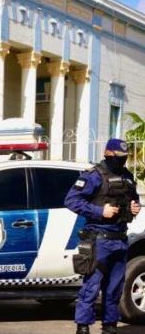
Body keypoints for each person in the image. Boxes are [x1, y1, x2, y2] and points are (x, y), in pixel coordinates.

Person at [65, 138, 141, 334]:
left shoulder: (126, 176)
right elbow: (71, 200)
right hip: (98, 240)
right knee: (91, 287)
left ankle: (110, 325)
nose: (122, 161)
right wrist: (100, 211)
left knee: (115, 289)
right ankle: (83, 327)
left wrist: (135, 207)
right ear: (107, 153)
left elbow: (133, 198)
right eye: (119, 157)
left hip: (120, 239)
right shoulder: (94, 175)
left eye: (125, 157)